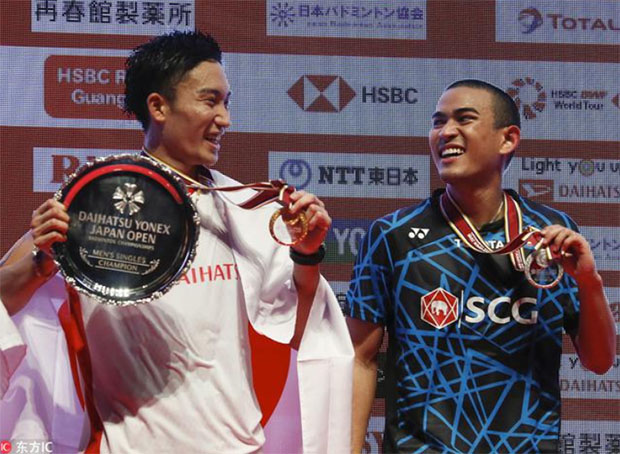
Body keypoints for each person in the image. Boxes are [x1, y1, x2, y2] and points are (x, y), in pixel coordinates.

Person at [0, 30, 353, 453]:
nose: (225, 118)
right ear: (159, 106)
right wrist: (44, 260)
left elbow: (303, 334)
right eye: (210, 100)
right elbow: (4, 298)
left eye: (227, 102)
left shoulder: (248, 211)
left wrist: (307, 252)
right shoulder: (88, 208)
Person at [346, 79, 616, 453]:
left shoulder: (551, 235)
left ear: (508, 139)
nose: (446, 132)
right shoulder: (392, 235)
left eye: (464, 119)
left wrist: (589, 282)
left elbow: (600, 362)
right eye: (438, 122)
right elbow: (359, 359)